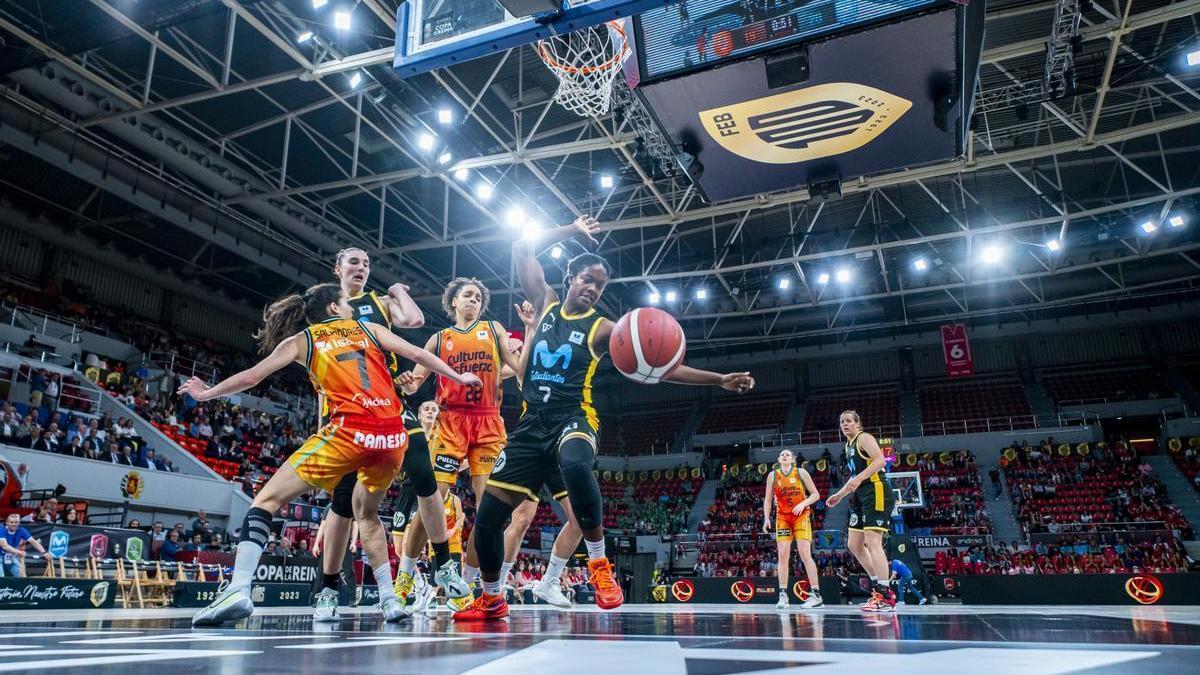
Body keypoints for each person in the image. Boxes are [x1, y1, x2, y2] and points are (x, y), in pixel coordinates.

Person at [454, 215, 755, 620]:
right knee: (488, 521)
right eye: (588, 281)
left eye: (600, 285)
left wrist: (717, 379)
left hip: (574, 418)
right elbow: (521, 249)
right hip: (529, 428)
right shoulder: (543, 304)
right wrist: (570, 230)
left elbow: (657, 365)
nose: (594, 290)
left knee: (577, 464)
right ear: (570, 278)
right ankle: (491, 597)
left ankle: (599, 565)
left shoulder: (602, 328)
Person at [181, 282, 480, 626]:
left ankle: (239, 588)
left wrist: (207, 394)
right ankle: (389, 598)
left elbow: (251, 376)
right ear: (335, 308)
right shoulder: (368, 327)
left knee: (264, 500)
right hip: (391, 437)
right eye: (346, 304)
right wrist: (457, 374)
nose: (352, 307)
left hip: (350, 433)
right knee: (366, 514)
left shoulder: (302, 340)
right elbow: (417, 354)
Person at [313, 247, 468, 621]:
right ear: (337, 268)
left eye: (367, 264)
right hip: (345, 409)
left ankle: (444, 563)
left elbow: (413, 320)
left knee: (425, 477)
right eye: (353, 262)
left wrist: (398, 290)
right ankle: (329, 590)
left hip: (389, 403)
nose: (361, 268)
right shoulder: (322, 306)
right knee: (343, 501)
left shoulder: (378, 303)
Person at [394, 276, 524, 610]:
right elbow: (414, 384)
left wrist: (531, 335)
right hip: (450, 423)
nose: (474, 300)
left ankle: (464, 584)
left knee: (490, 511)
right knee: (432, 500)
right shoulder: (440, 338)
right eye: (468, 295)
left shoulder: (494, 330)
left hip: (488, 422)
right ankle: (405, 577)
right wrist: (407, 382)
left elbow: (516, 368)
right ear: (454, 301)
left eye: (479, 297)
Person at [826, 410, 898, 612]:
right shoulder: (848, 445)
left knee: (873, 542)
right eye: (842, 421)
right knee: (854, 545)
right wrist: (839, 495)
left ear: (858, 424)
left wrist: (858, 479)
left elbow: (880, 461)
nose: (845, 424)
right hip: (859, 494)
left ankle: (885, 595)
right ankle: (878, 588)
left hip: (876, 489)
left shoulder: (864, 438)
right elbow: (855, 476)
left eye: (849, 421)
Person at [763, 449, 823, 610]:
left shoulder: (801, 472)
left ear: (792, 459)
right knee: (782, 555)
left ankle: (816, 595)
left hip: (801, 516)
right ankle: (783, 594)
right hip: (783, 518)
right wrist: (766, 518)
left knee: (805, 554)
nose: (784, 456)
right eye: (782, 454)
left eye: (787, 455)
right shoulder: (773, 475)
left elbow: (815, 495)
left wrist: (803, 503)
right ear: (778, 459)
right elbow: (768, 499)